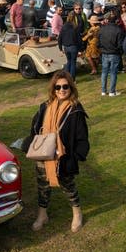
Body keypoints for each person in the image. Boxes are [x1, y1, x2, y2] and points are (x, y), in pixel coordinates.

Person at [27, 71, 89, 233]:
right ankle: (42, 215)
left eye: (65, 86)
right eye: (58, 87)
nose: (62, 90)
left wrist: (76, 156)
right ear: (53, 89)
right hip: (44, 154)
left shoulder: (75, 110)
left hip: (63, 156)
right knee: (42, 186)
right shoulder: (45, 106)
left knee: (68, 186)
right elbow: (35, 127)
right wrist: (35, 143)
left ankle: (77, 213)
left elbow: (82, 136)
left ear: (71, 88)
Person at [98, 13, 124, 96]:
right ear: (116, 21)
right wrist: (119, 52)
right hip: (113, 53)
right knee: (113, 72)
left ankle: (103, 90)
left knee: (104, 72)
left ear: (107, 20)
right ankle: (112, 91)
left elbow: (98, 42)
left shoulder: (102, 29)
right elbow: (120, 44)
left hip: (105, 53)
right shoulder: (118, 30)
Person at [58, 13, 82, 80]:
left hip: (66, 47)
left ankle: (66, 77)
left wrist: (60, 48)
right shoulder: (75, 27)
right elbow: (79, 39)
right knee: (73, 63)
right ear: (74, 18)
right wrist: (80, 49)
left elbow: (60, 38)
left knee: (69, 61)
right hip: (73, 47)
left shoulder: (64, 27)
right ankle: (72, 79)